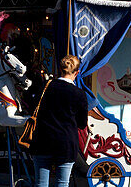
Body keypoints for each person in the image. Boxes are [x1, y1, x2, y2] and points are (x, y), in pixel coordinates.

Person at [26, 54, 90, 187]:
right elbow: (82, 123)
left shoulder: (45, 87)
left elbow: (32, 107)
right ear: (77, 72)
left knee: (41, 183)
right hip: (65, 143)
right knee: (62, 183)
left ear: (60, 69)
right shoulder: (79, 94)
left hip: (42, 141)